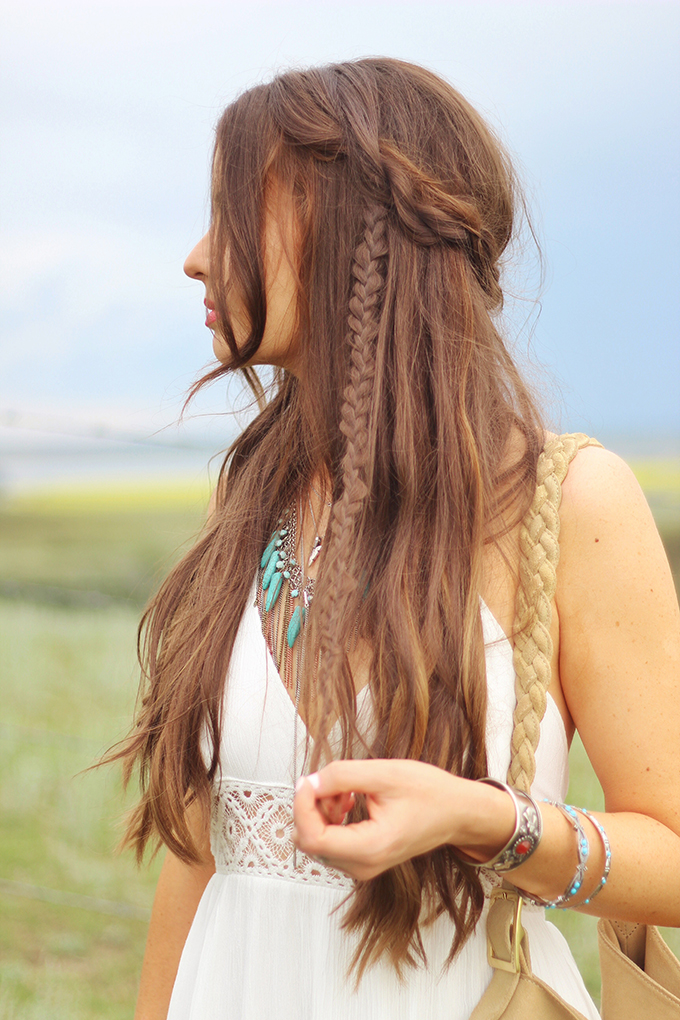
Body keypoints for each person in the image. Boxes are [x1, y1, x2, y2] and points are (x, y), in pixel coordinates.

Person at [119, 58, 680, 1020]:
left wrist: (489, 823)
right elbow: (199, 858)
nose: (197, 256)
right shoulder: (246, 502)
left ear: (348, 227)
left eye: (230, 210)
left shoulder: (571, 500)